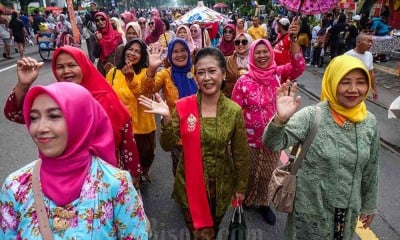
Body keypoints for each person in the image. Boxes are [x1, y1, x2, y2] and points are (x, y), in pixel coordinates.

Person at [0, 82, 148, 239]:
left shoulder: (116, 185)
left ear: (80, 120)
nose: (40, 128)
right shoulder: (16, 186)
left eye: (54, 116)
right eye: (34, 118)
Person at [263, 55, 379, 239]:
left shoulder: (369, 121)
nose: (353, 89)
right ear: (332, 82)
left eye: (361, 82)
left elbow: (371, 167)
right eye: (345, 82)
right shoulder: (312, 116)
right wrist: (280, 120)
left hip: (347, 212)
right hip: (310, 212)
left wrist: (369, 204)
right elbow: (273, 143)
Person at [138, 47, 249, 239]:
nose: (206, 77)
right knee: (198, 234)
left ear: (223, 74)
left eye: (212, 71)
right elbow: (166, 144)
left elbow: (240, 154)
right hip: (189, 185)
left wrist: (241, 188)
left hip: (221, 186)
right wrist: (166, 118)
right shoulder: (184, 106)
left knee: (211, 232)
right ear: (195, 77)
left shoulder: (234, 111)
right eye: (200, 72)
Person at [3, 46, 142, 187]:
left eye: (72, 65)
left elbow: (127, 138)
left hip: (104, 178)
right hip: (61, 178)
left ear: (84, 66)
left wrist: (134, 171)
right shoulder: (54, 98)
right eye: (60, 67)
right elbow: (16, 115)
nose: (66, 71)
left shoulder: (106, 99)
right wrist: (23, 85)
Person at [231, 18, 305, 225]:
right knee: (248, 172)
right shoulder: (243, 81)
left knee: (268, 174)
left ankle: (264, 204)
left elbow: (298, 67)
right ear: (252, 56)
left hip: (273, 137)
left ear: (270, 54)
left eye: (265, 52)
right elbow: (234, 112)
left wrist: (293, 40)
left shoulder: (278, 75)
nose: (262, 55)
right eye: (258, 53)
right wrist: (232, 140)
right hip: (249, 140)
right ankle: (245, 200)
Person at [106, 39, 163, 183]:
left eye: (137, 51)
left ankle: (141, 176)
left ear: (143, 55)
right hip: (119, 128)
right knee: (122, 165)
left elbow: (145, 92)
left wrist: (132, 79)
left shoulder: (146, 73)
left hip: (142, 128)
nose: (132, 53)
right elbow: (106, 96)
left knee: (144, 158)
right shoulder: (113, 72)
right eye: (130, 49)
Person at [152, 38, 198, 175]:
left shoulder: (197, 70)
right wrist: (151, 70)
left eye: (183, 50)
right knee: (181, 173)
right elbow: (147, 89)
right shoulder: (165, 74)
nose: (180, 54)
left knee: (200, 172)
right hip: (177, 132)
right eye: (175, 51)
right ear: (170, 55)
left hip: (200, 130)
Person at [345, 33, 378, 100]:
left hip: (362, 88)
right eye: (368, 41)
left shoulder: (369, 55)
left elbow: (371, 73)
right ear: (359, 42)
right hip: (350, 89)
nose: (370, 44)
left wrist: (374, 89)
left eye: (371, 42)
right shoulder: (347, 56)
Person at [224, 33, 253, 98]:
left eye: (244, 42)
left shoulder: (255, 61)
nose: (240, 44)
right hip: (231, 100)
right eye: (237, 42)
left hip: (251, 101)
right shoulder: (228, 61)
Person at [94, 12, 123, 76]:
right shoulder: (97, 35)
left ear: (106, 20)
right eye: (97, 20)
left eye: (102, 19)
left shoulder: (117, 35)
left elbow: (121, 52)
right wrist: (98, 42)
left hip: (115, 66)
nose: (100, 22)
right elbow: (96, 55)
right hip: (102, 67)